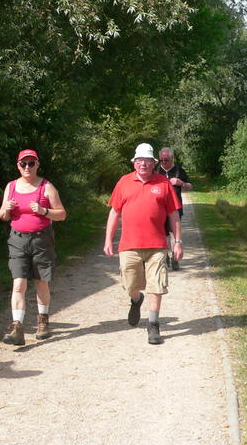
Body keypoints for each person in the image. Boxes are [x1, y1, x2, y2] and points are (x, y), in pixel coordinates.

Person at [103, 143, 183, 345]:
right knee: (130, 284)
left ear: (153, 163)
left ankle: (153, 325)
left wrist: (178, 242)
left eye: (147, 161)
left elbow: (174, 214)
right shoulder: (123, 182)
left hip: (157, 244)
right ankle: (136, 299)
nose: (143, 164)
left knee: (157, 285)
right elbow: (114, 212)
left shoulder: (163, 184)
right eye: (139, 161)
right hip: (129, 245)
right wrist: (108, 240)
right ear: (134, 163)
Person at [0, 149, 66, 346]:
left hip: (41, 240)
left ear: (37, 165)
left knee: (41, 282)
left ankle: (43, 321)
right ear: (18, 166)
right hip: (17, 240)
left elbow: (61, 214)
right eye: (23, 164)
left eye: (31, 163)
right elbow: (3, 215)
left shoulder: (46, 186)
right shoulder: (11, 187)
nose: (27, 167)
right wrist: (7, 209)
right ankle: (17, 327)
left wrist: (44, 211)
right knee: (18, 283)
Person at [156, 147, 192, 270]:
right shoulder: (155, 170)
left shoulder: (179, 170)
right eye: (161, 160)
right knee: (163, 234)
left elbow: (190, 186)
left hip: (176, 208)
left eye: (166, 159)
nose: (163, 162)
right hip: (159, 209)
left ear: (172, 158)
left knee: (175, 233)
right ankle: (165, 256)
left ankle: (175, 258)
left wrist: (180, 183)